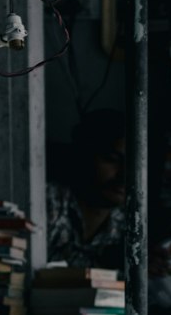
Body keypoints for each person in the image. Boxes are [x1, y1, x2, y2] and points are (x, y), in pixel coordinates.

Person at [46, 109, 126, 269]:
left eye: (138, 166)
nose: (125, 176)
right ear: (85, 156)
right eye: (111, 160)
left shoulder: (128, 222)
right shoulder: (47, 202)